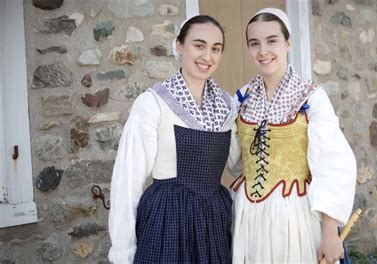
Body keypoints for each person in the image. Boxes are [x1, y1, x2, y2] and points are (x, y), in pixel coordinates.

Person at [228, 8, 357, 263]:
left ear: (288, 43)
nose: (263, 51)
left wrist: (330, 233)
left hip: (294, 216)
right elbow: (232, 160)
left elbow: (333, 165)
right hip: (247, 215)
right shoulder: (241, 98)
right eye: (254, 44)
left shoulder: (311, 97)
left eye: (272, 41)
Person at [108, 15, 237, 263]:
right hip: (168, 220)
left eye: (216, 49)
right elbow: (127, 181)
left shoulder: (227, 105)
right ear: (179, 46)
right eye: (199, 45)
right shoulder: (153, 102)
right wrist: (123, 251)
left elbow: (237, 164)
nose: (207, 56)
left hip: (213, 224)